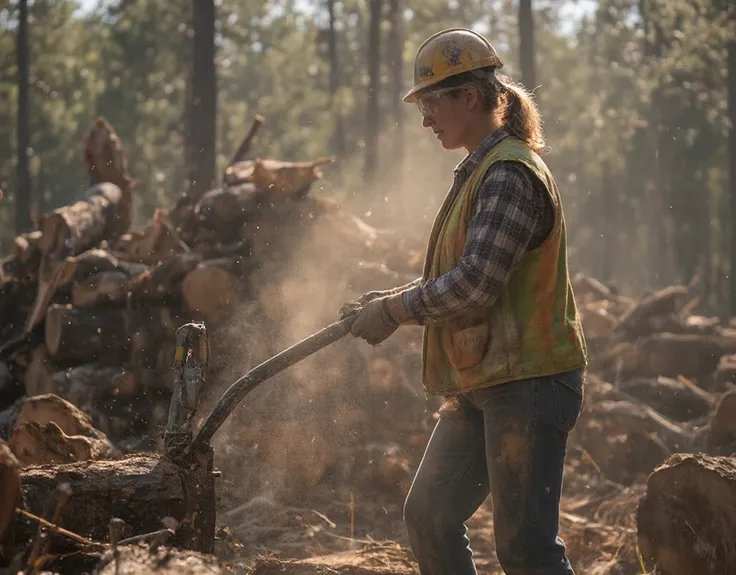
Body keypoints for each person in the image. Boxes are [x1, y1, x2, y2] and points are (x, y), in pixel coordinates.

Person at [340, 28, 588, 575]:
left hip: (528, 382)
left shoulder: (507, 174)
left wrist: (396, 310)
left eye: (432, 103)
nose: (426, 119)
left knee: (527, 551)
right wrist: (388, 299)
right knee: (429, 516)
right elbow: (462, 269)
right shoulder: (483, 170)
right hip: (487, 379)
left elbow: (476, 284)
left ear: (469, 98)